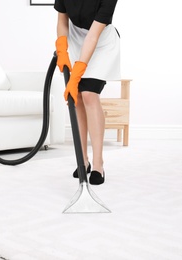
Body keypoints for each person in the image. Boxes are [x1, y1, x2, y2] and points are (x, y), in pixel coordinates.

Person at [54, 0, 120, 185]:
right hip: (75, 40)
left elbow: (93, 36)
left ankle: (98, 163)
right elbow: (62, 20)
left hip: (101, 42)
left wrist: (77, 73)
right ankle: (83, 161)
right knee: (78, 98)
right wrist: (62, 49)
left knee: (89, 94)